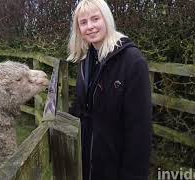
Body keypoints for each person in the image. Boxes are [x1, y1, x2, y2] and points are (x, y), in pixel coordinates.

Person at [67, 0, 152, 179]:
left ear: (106, 19)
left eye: (95, 19)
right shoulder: (86, 60)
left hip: (115, 169)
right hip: (87, 165)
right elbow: (81, 107)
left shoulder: (132, 62)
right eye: (83, 22)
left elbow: (139, 130)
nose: (89, 26)